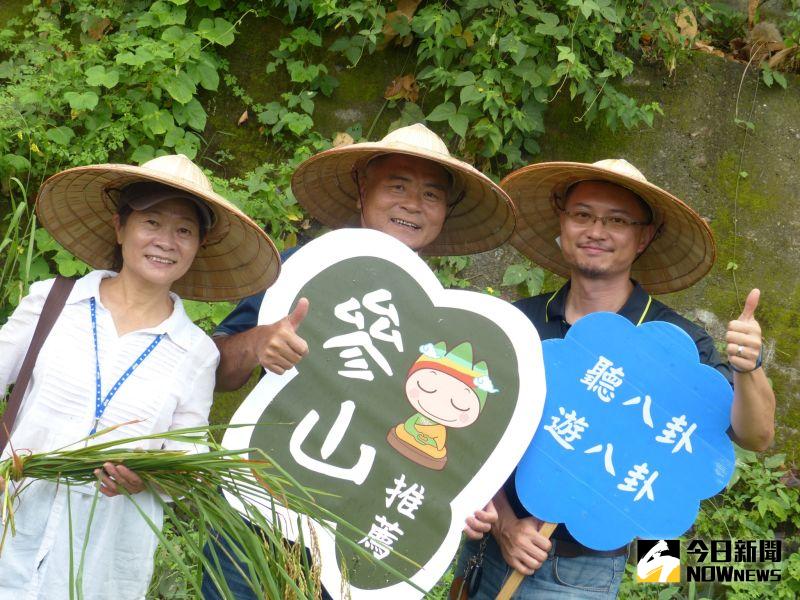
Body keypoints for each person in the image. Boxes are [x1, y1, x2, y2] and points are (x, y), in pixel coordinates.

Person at [201, 124, 516, 598]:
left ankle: (666, 582)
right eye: (397, 185)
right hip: (261, 508)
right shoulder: (302, 270)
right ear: (361, 189)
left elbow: (462, 445)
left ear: (445, 212)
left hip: (360, 539)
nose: (413, 203)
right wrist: (256, 344)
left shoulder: (452, 323)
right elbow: (215, 370)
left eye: (431, 194)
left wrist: (469, 503)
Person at [456, 159, 776, 599]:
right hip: (486, 550)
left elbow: (755, 436)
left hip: (579, 572)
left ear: (643, 236)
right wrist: (505, 526)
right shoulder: (519, 323)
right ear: (562, 222)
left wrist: (748, 369)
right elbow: (467, 429)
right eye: (582, 215)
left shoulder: (676, 342)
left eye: (617, 220)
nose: (596, 231)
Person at [0, 154, 278, 599]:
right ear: (120, 227)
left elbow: (187, 463)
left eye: (184, 230)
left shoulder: (196, 353)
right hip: (10, 530)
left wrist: (151, 478)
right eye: (152, 222)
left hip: (101, 558)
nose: (166, 241)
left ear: (198, 246)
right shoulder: (52, 303)